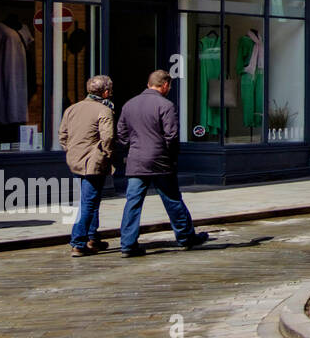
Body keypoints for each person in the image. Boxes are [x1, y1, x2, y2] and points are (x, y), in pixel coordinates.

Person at [115, 70, 209, 257]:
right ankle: (185, 238)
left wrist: (131, 149)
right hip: (160, 161)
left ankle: (127, 244)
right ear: (164, 85)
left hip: (136, 161)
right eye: (169, 86)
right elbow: (172, 136)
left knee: (132, 203)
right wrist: (171, 156)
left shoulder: (129, 105)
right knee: (172, 199)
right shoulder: (165, 105)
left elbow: (121, 134)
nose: (169, 89)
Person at [58, 74, 116, 257]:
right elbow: (108, 138)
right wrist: (106, 155)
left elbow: (62, 136)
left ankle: (92, 238)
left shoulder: (72, 109)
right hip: (93, 163)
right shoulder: (104, 110)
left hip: (75, 162)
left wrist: (72, 152)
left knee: (91, 200)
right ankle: (78, 242)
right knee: (89, 203)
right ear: (106, 92)